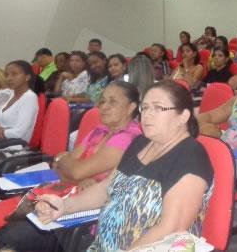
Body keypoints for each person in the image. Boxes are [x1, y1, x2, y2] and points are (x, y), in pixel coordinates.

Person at [32, 81, 213, 251]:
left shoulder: (191, 156)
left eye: (158, 108)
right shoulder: (140, 143)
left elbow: (172, 229)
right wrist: (64, 206)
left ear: (183, 117)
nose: (147, 114)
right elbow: (106, 188)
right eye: (145, 107)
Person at [0, 82, 142, 250]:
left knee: (8, 237)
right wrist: (74, 170)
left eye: (113, 102)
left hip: (81, 214)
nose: (104, 107)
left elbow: (74, 169)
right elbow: (63, 168)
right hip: (59, 193)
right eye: (102, 101)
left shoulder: (129, 138)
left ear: (131, 108)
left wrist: (67, 163)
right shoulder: (99, 130)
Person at [0, 61, 38, 148]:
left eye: (14, 74)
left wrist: (0, 131)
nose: (9, 78)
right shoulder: (11, 95)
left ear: (27, 77)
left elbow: (20, 133)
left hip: (12, 147)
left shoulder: (29, 97)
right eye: (6, 75)